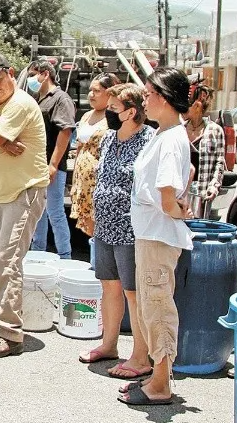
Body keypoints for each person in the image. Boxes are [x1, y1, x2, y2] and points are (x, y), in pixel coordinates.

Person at [118, 67, 194, 407]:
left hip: (158, 237)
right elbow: (183, 177)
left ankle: (161, 385)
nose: (144, 100)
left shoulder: (170, 138)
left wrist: (181, 212)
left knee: (158, 308)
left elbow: (166, 196)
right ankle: (157, 375)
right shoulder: (167, 135)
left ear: (162, 97)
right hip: (151, 234)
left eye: (148, 94)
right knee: (152, 306)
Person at [0, 52, 48, 358]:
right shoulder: (1, 109)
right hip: (3, 193)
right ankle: (4, 322)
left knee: (7, 262)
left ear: (11, 74)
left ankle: (10, 333)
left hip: (22, 192)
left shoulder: (17, 104)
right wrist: (0, 142)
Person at [79, 84, 154, 380]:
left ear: (131, 112)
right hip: (105, 226)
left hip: (131, 229)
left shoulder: (148, 140)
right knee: (109, 286)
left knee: (133, 293)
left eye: (113, 109)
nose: (107, 113)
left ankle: (140, 356)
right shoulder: (110, 138)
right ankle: (108, 345)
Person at [27, 59, 76, 259]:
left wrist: (53, 164)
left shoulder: (60, 99)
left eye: (33, 74)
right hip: (37, 165)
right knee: (38, 212)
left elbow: (65, 132)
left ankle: (65, 256)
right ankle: (38, 252)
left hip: (51, 165)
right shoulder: (39, 98)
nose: (30, 79)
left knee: (55, 212)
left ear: (45, 74)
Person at [70, 73, 120, 236]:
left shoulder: (115, 119)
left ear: (109, 92)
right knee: (88, 230)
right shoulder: (86, 116)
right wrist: (74, 183)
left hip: (100, 184)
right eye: (90, 90)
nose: (91, 94)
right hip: (83, 183)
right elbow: (79, 148)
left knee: (101, 231)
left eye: (96, 91)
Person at [184, 78, 225, 219]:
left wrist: (214, 186)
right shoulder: (179, 129)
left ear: (197, 105)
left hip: (201, 196)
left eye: (186, 104)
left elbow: (219, 163)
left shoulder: (215, 130)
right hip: (180, 195)